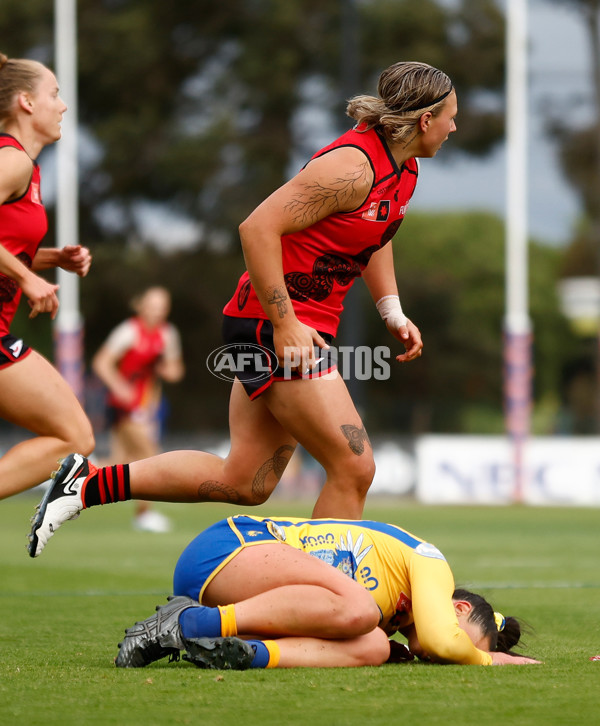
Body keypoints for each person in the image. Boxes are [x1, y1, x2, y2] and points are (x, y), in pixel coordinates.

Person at [28, 60, 456, 557]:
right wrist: (285, 323)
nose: (454, 127)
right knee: (354, 466)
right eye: (450, 116)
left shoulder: (405, 168)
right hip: (273, 326)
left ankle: (84, 485)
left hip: (294, 325)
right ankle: (324, 601)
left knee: (246, 480)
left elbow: (375, 232)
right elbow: (256, 228)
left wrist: (391, 310)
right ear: (424, 120)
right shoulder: (352, 166)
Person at [114, 514, 541, 669]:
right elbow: (439, 639)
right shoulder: (430, 561)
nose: (438, 656)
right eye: (461, 640)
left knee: (372, 645)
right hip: (228, 547)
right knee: (362, 610)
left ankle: (243, 653)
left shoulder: (392, 626)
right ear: (459, 607)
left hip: (235, 584)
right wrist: (489, 660)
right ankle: (189, 622)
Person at [0, 53, 94, 501]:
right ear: (26, 103)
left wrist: (49, 260)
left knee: (74, 436)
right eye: (54, 94)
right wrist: (28, 279)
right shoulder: (12, 161)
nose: (63, 106)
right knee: (73, 435)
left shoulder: (25, 168)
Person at [92, 286, 185, 533]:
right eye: (152, 306)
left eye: (162, 307)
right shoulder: (128, 331)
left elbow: (176, 369)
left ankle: (64, 479)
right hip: (122, 406)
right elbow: (101, 363)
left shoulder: (168, 334)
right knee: (150, 454)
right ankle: (144, 514)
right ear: (141, 306)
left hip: (145, 408)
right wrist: (120, 387)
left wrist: (168, 371)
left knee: (118, 463)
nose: (157, 312)